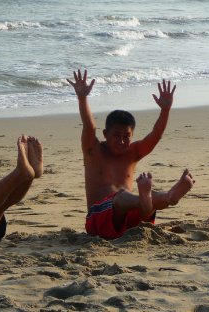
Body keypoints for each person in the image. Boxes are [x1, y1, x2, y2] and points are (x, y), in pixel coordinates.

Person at [67, 69, 194, 239]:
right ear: (105, 134)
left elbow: (155, 135)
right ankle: (155, 198)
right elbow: (89, 126)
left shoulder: (132, 153)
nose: (121, 141)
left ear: (132, 136)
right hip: (98, 220)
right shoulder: (93, 151)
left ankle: (170, 197)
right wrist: (82, 98)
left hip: (128, 223)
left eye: (126, 136)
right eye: (116, 136)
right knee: (124, 197)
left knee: (144, 204)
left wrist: (165, 110)